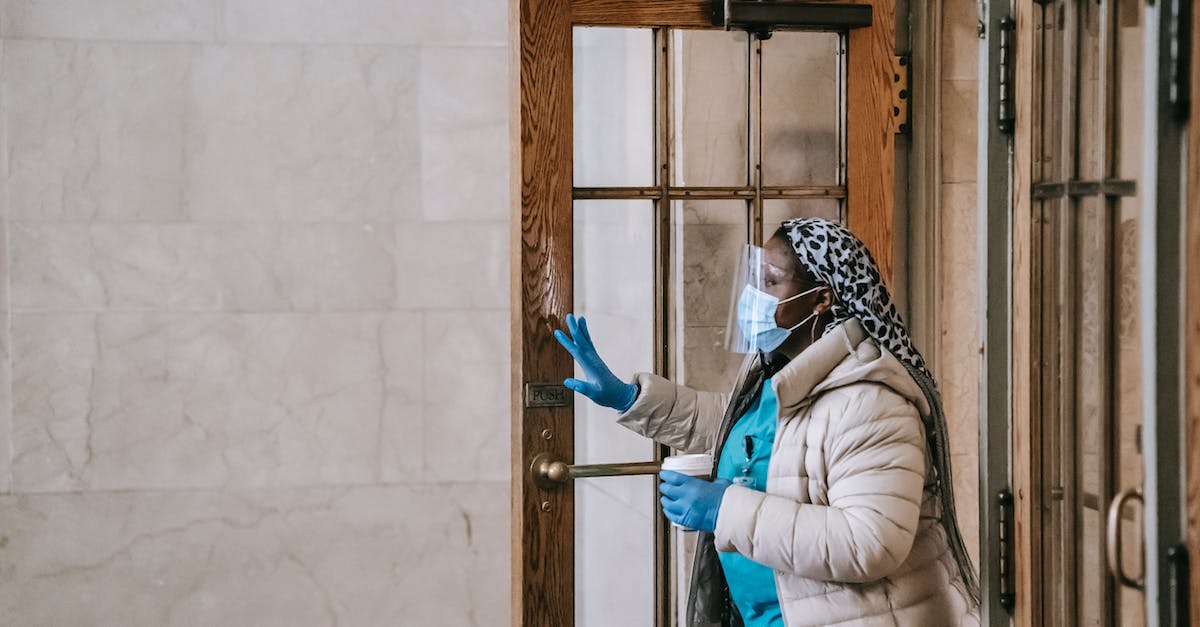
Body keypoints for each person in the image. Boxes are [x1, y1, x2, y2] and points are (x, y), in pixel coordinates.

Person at [555, 218, 980, 626]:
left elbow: (870, 544)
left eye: (771, 282)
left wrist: (725, 509)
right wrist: (631, 398)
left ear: (822, 299)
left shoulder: (870, 401)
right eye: (754, 279)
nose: (753, 295)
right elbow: (738, 430)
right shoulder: (778, 373)